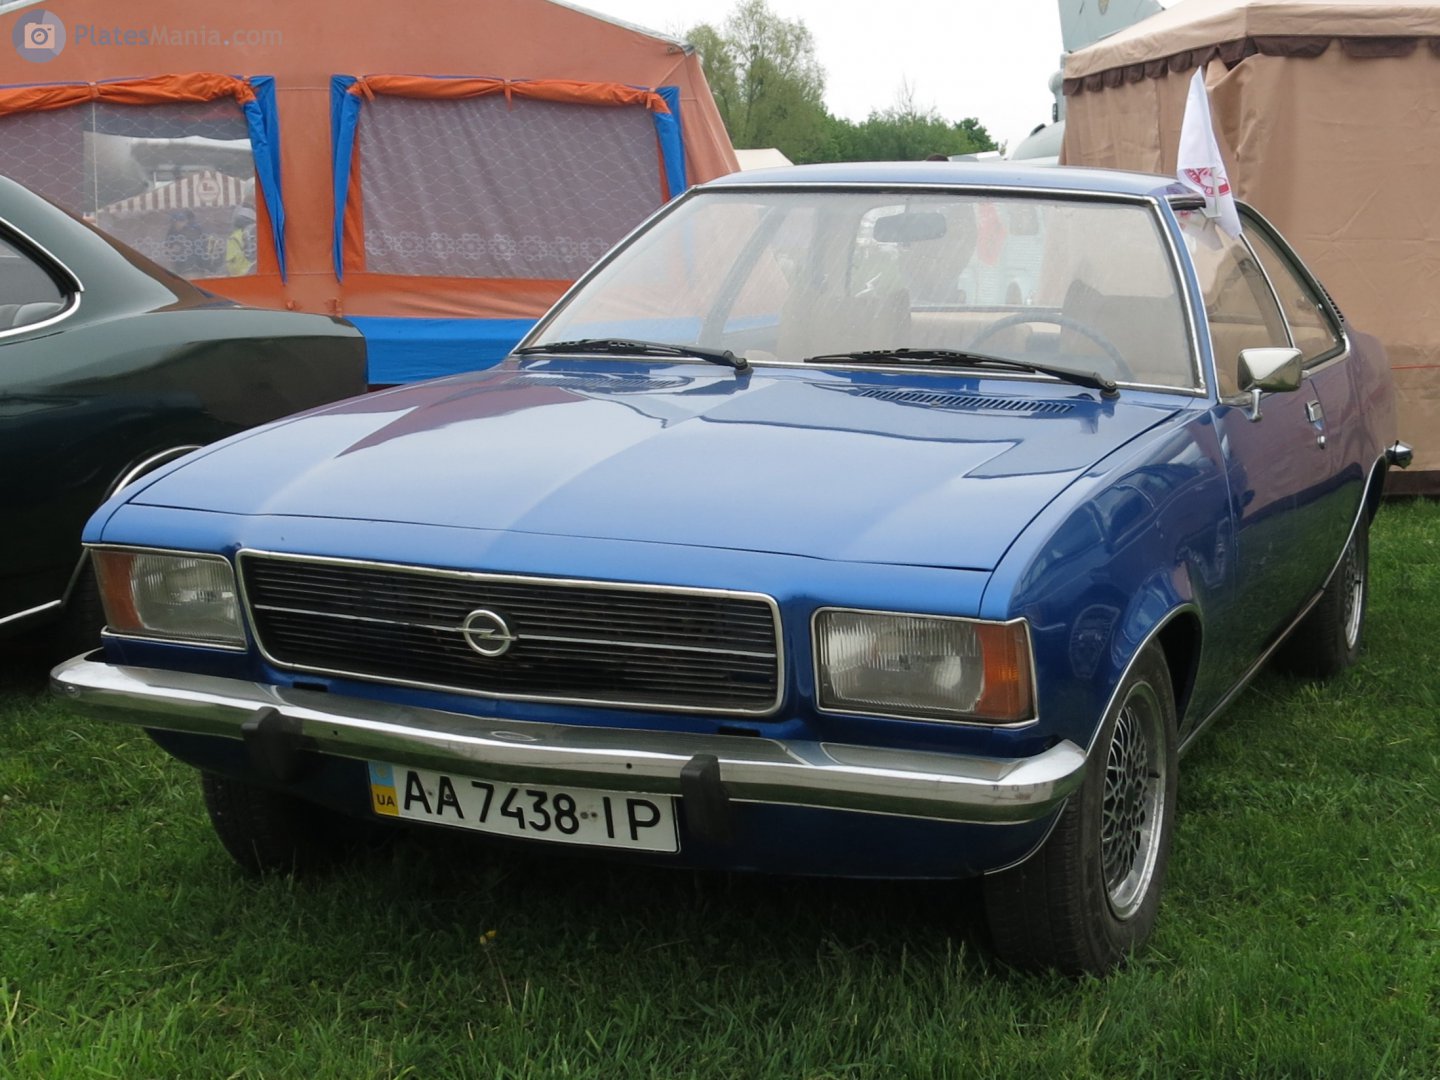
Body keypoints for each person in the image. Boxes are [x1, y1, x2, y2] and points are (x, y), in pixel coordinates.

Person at [226, 205, 257, 276]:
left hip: (241, 276)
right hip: (249, 275)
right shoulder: (255, 233)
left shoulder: (234, 236)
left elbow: (230, 264)